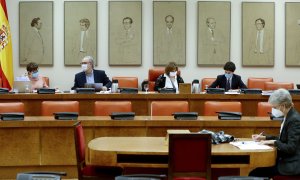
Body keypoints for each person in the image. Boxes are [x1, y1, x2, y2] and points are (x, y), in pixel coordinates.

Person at [249, 89, 300, 178]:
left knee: (254, 174)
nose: (273, 110)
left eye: (275, 107)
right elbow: (283, 139)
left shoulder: (294, 120)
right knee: (256, 170)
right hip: (285, 160)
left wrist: (274, 142)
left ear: (283, 106)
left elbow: (291, 147)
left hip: (291, 164)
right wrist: (264, 138)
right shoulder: (288, 116)